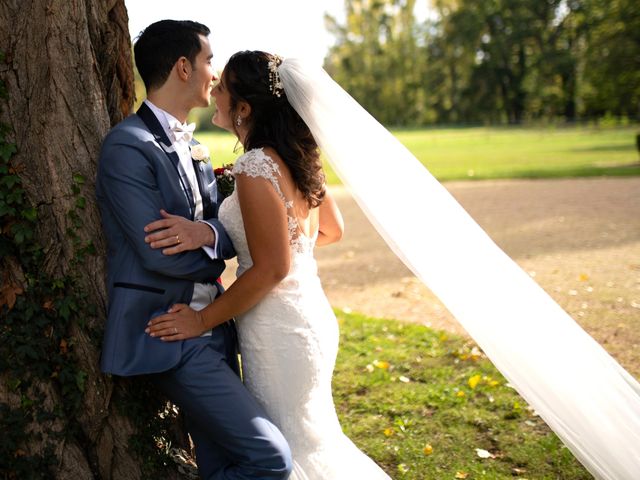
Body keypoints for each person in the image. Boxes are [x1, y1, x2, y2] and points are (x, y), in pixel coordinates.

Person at [145, 51, 392, 478]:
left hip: (279, 331)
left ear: (243, 109)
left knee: (292, 450)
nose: (215, 89)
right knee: (312, 443)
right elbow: (331, 230)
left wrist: (202, 321)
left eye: (223, 88)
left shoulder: (255, 166)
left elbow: (272, 268)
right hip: (311, 316)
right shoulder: (298, 161)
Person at [96, 24, 292, 479]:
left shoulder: (195, 146)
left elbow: (223, 229)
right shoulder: (127, 145)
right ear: (183, 67)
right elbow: (159, 254)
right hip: (172, 332)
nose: (214, 72)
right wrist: (218, 246)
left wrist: (207, 234)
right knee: (270, 459)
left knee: (224, 464)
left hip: (218, 327)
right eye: (208, 61)